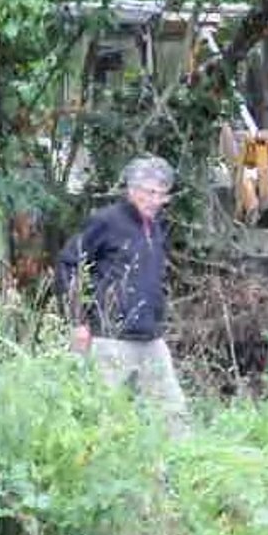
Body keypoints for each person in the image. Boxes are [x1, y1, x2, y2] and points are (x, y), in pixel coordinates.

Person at [54, 155, 189, 437]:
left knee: (174, 415)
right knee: (102, 417)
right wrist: (77, 320)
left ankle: (181, 472)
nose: (156, 200)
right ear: (132, 190)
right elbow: (68, 262)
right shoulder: (107, 221)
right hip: (110, 340)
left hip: (151, 339)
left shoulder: (155, 226)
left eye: (162, 194)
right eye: (150, 192)